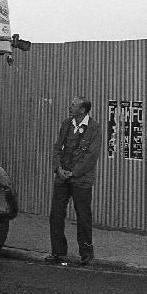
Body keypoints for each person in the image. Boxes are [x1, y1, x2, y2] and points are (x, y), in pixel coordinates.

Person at [46, 96, 102, 266]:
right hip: (62, 178)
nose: (70, 107)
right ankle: (58, 251)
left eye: (73, 105)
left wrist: (74, 172)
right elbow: (57, 148)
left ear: (82, 110)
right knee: (56, 214)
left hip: (81, 180)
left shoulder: (94, 128)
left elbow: (91, 156)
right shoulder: (66, 124)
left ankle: (86, 253)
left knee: (83, 215)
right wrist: (59, 169)